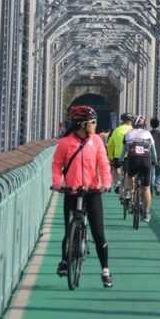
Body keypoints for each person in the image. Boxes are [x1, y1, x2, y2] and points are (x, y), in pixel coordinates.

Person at [51, 105, 113, 288]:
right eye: (92, 122)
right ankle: (64, 260)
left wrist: (106, 183)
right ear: (82, 124)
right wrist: (57, 182)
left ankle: (105, 270)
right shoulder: (65, 143)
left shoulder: (97, 142)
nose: (95, 125)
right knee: (68, 229)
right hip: (72, 190)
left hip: (92, 191)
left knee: (98, 233)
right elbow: (56, 164)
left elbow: (103, 164)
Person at [123, 115, 157, 223]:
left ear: (133, 124)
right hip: (145, 161)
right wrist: (155, 162)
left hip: (133, 160)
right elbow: (154, 152)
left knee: (129, 175)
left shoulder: (128, 134)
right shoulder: (148, 134)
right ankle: (146, 213)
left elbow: (124, 151)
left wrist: (119, 159)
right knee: (146, 188)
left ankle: (128, 193)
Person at [106, 112, 134, 194]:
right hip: (131, 156)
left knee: (115, 169)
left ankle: (117, 183)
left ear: (122, 121)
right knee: (129, 173)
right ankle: (129, 191)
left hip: (118, 155)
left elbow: (110, 144)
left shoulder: (116, 130)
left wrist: (110, 156)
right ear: (131, 121)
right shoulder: (133, 130)